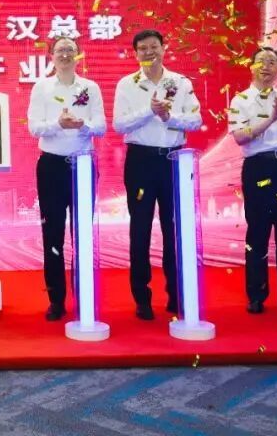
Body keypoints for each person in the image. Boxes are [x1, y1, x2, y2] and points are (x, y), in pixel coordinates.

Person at [113, 29, 201, 320]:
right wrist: (149, 112)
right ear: (136, 53)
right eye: (143, 48)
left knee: (174, 229)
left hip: (174, 161)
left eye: (154, 46)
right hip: (140, 161)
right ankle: (142, 298)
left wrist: (168, 117)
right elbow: (119, 125)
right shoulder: (127, 84)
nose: (149, 52)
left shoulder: (181, 83)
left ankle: (176, 295)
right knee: (140, 230)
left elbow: (196, 120)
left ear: (164, 48)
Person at [26, 36, 106, 321]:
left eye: (70, 50)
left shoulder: (90, 87)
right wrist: (58, 124)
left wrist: (82, 126)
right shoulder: (42, 87)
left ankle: (84, 297)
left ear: (78, 55)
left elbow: (101, 126)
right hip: (51, 166)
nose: (65, 55)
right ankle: (56, 300)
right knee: (53, 235)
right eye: (60, 50)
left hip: (82, 165)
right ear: (51, 56)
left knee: (83, 235)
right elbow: (34, 128)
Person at [227, 46, 277, 314]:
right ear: (251, 66)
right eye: (261, 61)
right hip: (258, 167)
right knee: (258, 231)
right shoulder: (240, 100)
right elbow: (240, 137)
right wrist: (272, 118)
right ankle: (256, 295)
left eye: (272, 62)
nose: (266, 66)